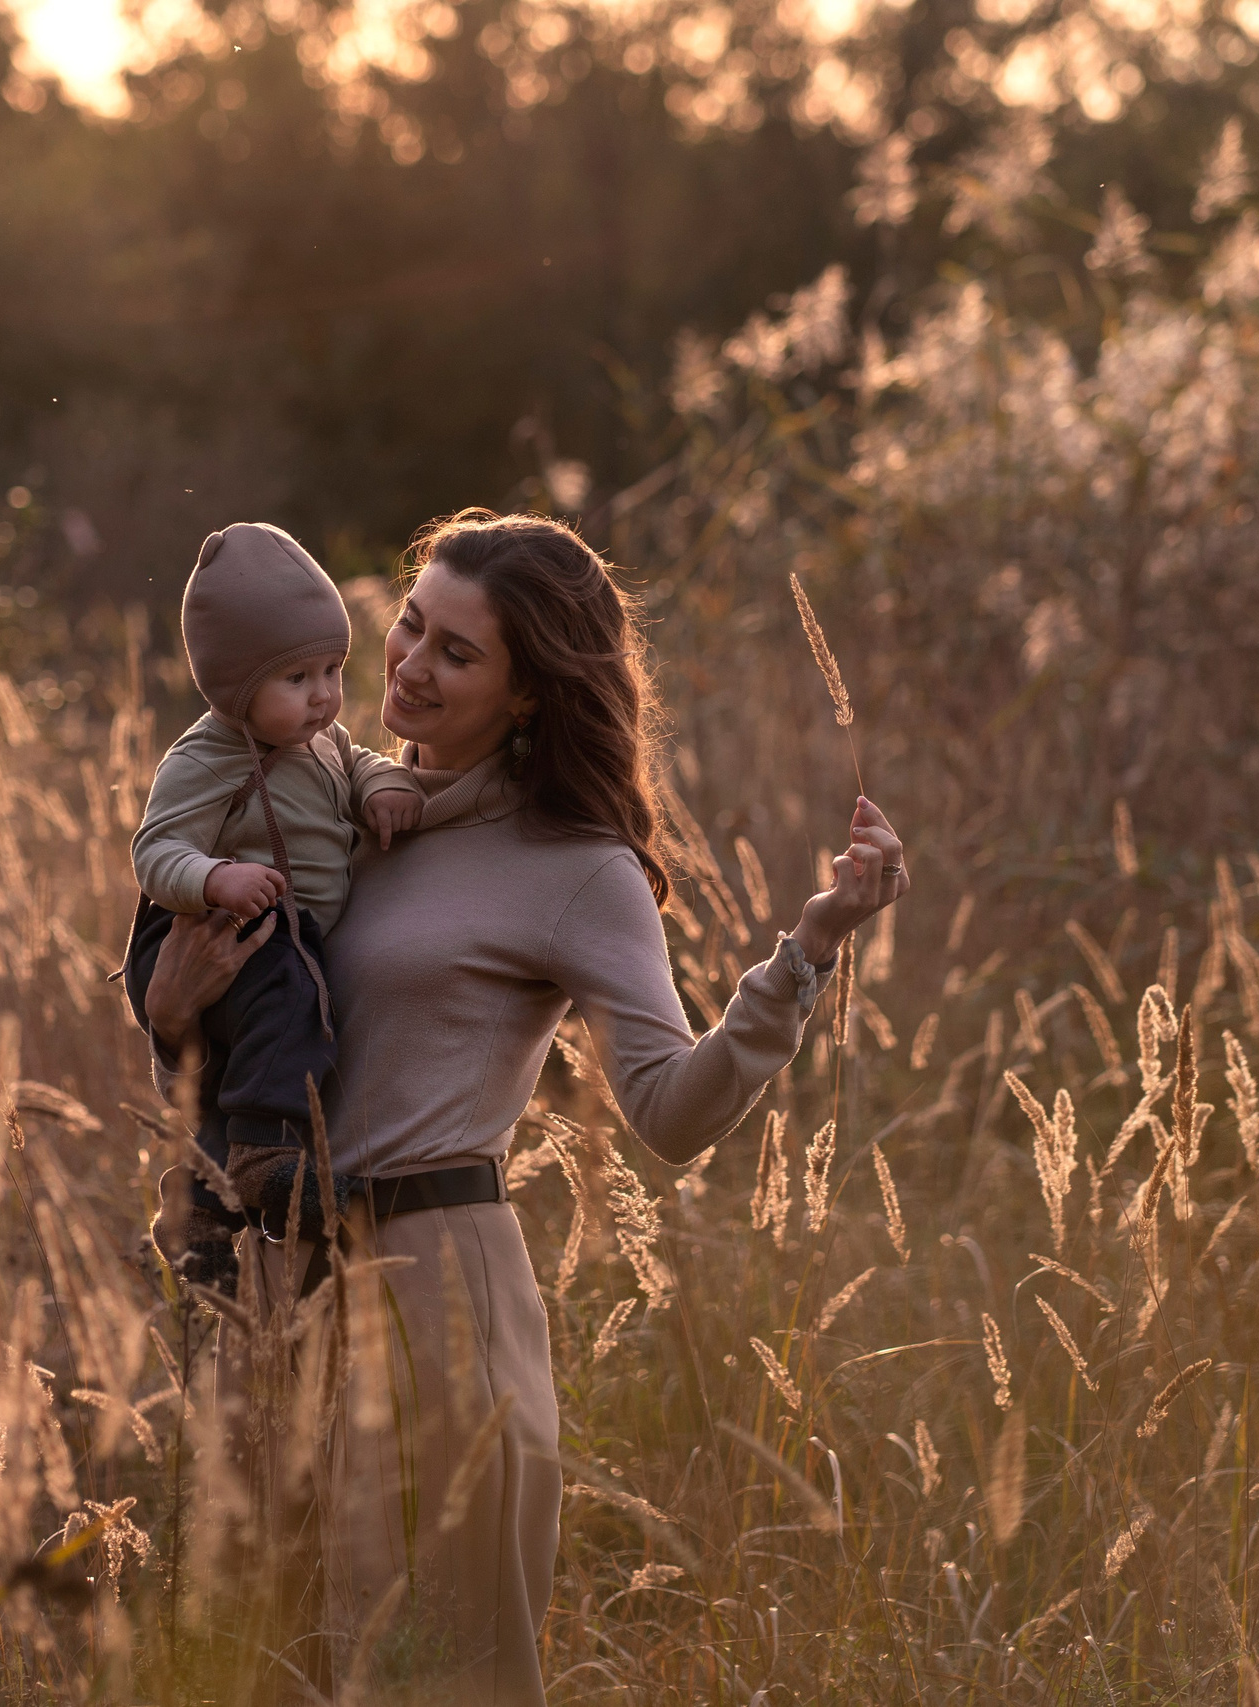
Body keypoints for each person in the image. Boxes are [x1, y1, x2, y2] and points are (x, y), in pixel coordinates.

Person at [142, 510, 909, 1704]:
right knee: (264, 1669)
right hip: (280, 1283)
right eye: (409, 625)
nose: (409, 665)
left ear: (530, 693)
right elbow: (240, 1052)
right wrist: (167, 1009)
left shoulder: (577, 867)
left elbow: (670, 1113)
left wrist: (807, 953)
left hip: (435, 1293)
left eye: (457, 653)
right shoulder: (336, 802)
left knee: (428, 1679)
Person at [127, 521, 423, 1286]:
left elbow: (359, 763)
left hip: (274, 934)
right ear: (235, 685)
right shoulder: (207, 755)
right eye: (296, 678)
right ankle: (268, 1156)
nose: (323, 694)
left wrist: (385, 786)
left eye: (332, 669)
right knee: (290, 1007)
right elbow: (155, 850)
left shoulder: (323, 740)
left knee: (261, 1049)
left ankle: (197, 1205)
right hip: (210, 927)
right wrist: (214, 877)